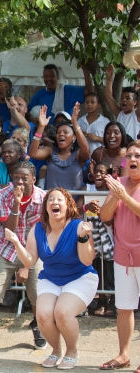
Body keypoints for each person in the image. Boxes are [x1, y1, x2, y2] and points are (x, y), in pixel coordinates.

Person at [5, 188, 97, 369]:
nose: (55, 202)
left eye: (59, 200)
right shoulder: (37, 229)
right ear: (46, 207)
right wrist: (16, 242)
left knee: (62, 313)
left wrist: (83, 238)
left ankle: (72, 352)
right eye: (51, 200)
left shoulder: (78, 226)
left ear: (67, 205)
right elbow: (30, 261)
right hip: (51, 278)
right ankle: (56, 351)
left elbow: (87, 260)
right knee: (43, 315)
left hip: (80, 277)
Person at [0, 162, 47, 352]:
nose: (19, 181)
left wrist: (26, 265)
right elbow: (8, 228)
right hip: (7, 247)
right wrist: (16, 203)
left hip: (34, 250)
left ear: (33, 179)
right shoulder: (3, 194)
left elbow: (41, 233)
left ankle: (39, 328)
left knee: (37, 293)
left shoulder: (43, 198)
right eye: (16, 177)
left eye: (24, 178)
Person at [99, 140, 140, 373]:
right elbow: (105, 216)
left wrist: (123, 196)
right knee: (124, 308)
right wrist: (115, 195)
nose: (133, 159)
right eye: (130, 156)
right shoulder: (120, 183)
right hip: (123, 257)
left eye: (138, 156)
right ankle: (124, 354)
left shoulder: (124, 188)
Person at [29, 103, 90, 197]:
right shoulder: (50, 151)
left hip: (72, 206)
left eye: (65, 132)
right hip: (52, 204)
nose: (61, 134)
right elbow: (33, 153)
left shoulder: (78, 155)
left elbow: (86, 151)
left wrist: (75, 124)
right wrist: (41, 127)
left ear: (74, 137)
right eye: (58, 132)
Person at [82, 162, 115, 317]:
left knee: (111, 272)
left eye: (102, 172)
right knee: (98, 271)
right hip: (92, 239)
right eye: (96, 172)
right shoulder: (87, 189)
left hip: (110, 238)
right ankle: (101, 300)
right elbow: (77, 211)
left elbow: (110, 220)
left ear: (109, 174)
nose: (98, 175)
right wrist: (86, 207)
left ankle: (113, 301)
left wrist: (102, 212)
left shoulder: (113, 192)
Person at [28, 64, 93, 124]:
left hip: (65, 131)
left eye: (52, 76)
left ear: (57, 77)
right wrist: (31, 118)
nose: (49, 79)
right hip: (46, 133)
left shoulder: (67, 90)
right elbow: (27, 110)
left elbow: (89, 92)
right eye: (46, 76)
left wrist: (85, 71)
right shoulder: (39, 94)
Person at [105, 65, 140, 140]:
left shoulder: (137, 114)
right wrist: (109, 77)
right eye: (122, 98)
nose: (124, 100)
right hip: (121, 150)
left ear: (134, 102)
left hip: (133, 150)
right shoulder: (119, 113)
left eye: (127, 98)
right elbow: (108, 96)